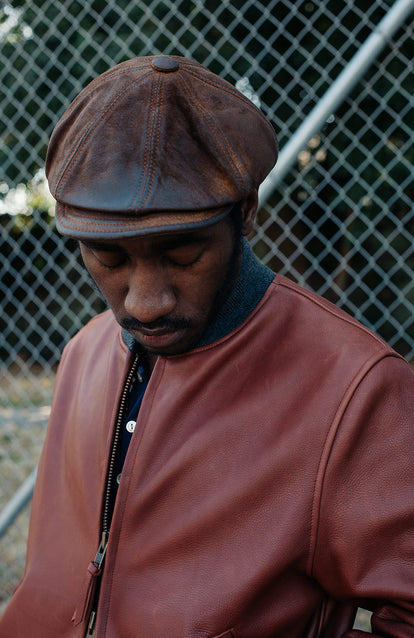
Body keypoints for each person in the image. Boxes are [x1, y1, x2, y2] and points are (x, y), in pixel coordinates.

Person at [1, 54, 413, 638]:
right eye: (109, 257)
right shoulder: (85, 352)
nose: (146, 303)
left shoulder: (357, 390)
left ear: (244, 214)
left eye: (183, 253)